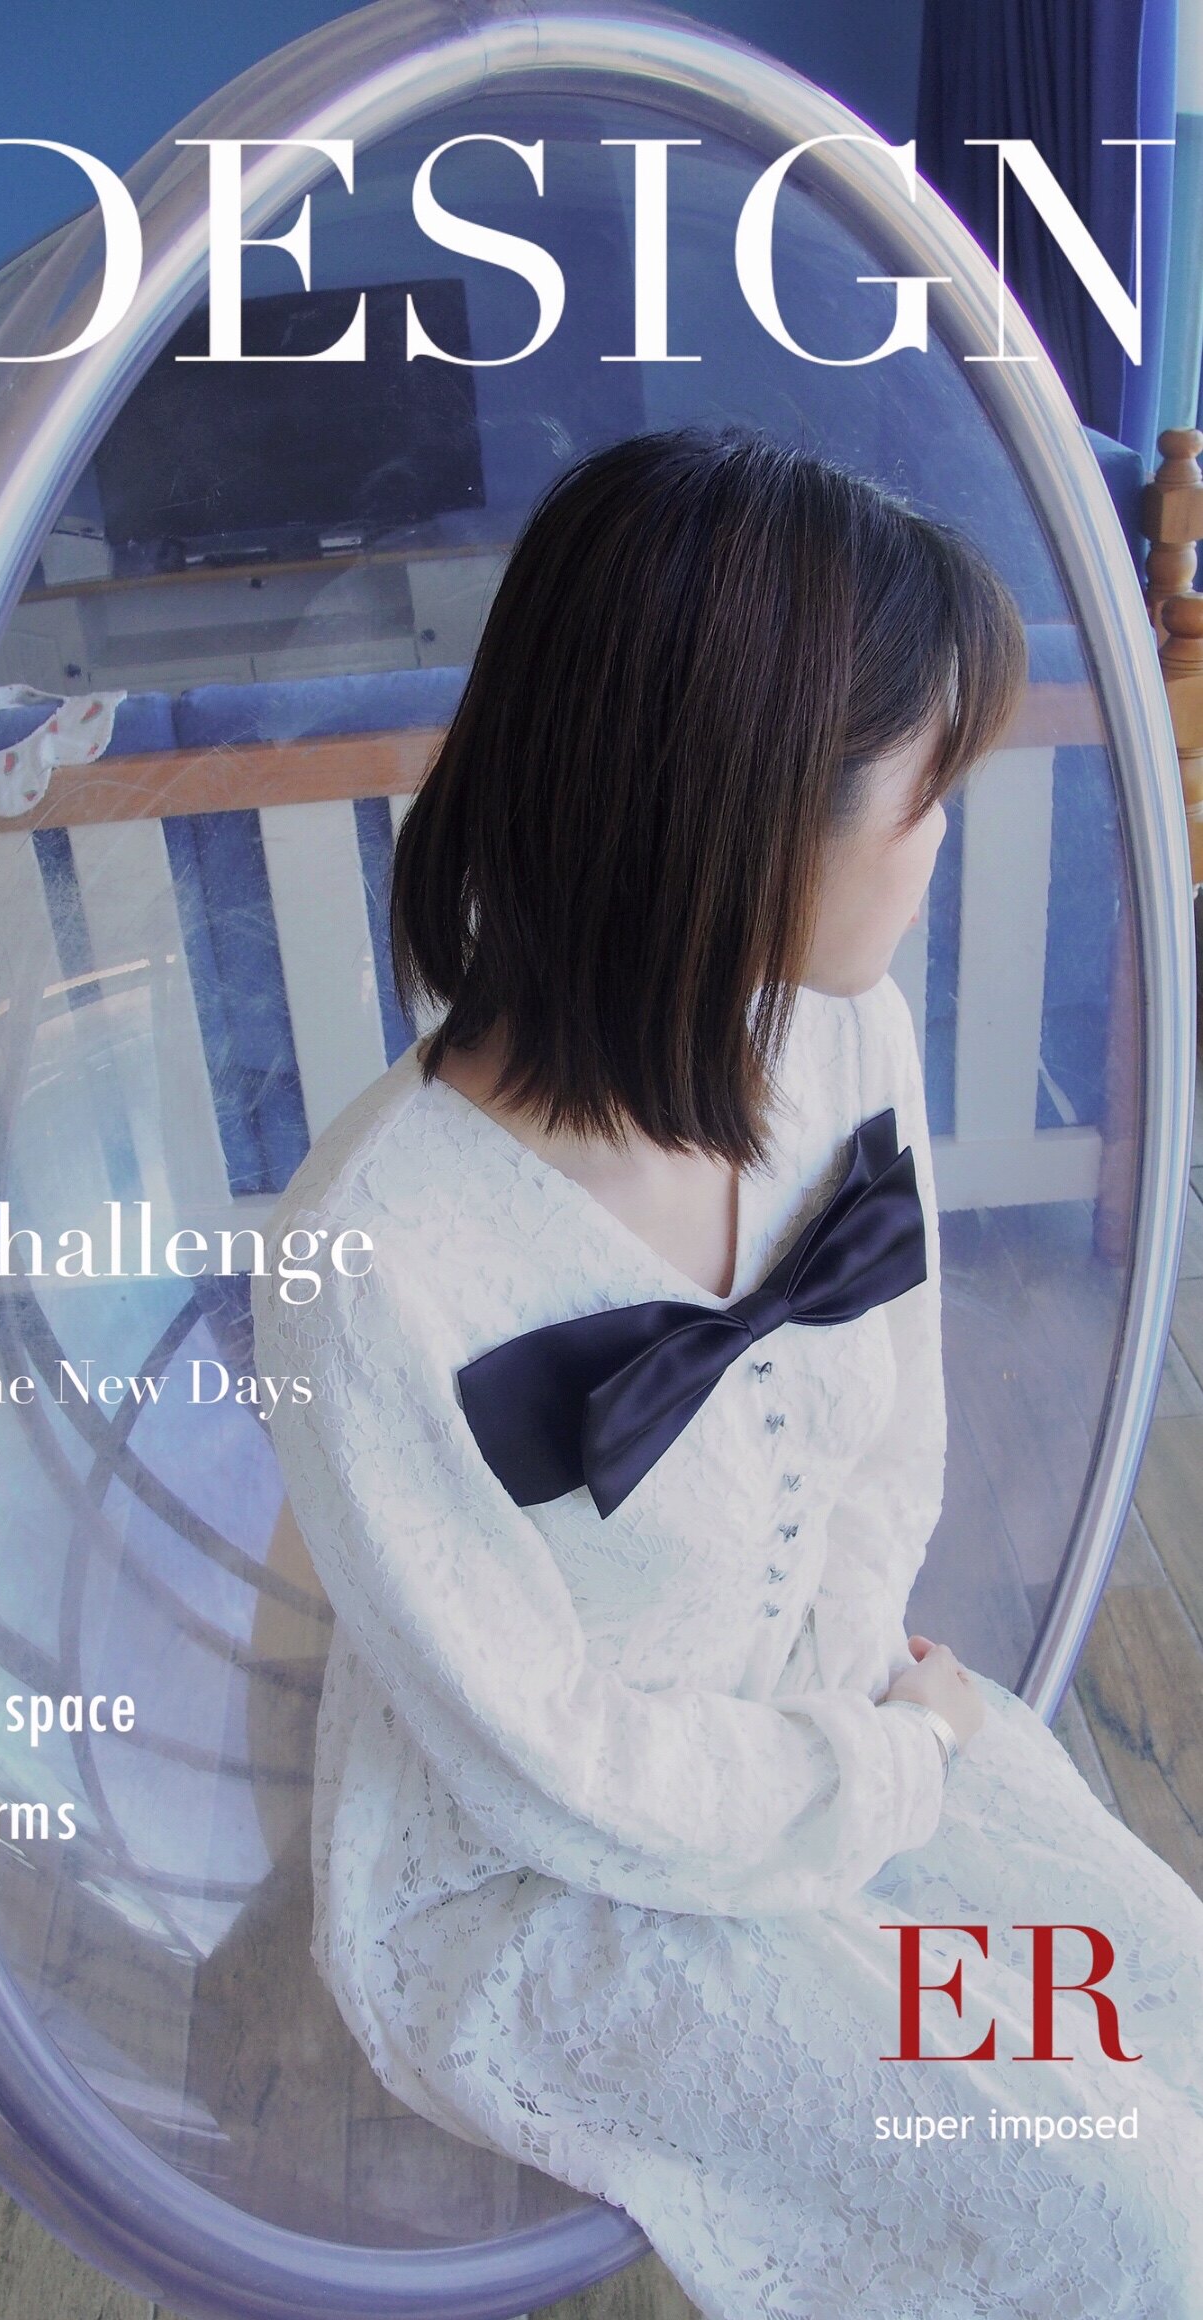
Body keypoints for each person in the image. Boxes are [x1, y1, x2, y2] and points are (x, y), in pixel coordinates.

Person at [252, 427, 1203, 2317]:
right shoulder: (380, 1262)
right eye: (930, 796)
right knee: (1127, 2225)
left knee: (1174, 2008)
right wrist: (884, 1774)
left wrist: (863, 1713)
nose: (948, 842)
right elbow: (546, 1769)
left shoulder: (847, 1044)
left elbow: (888, 1444)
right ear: (752, 815)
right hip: (539, 1884)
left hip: (833, 1720)